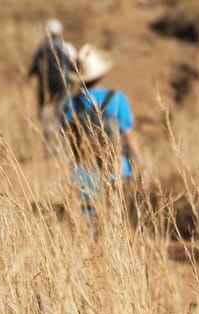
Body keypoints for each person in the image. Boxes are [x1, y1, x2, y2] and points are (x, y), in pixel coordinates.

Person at [60, 43, 149, 222]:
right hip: (116, 166)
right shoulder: (117, 99)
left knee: (90, 218)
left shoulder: (70, 103)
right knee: (115, 215)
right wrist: (142, 166)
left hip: (84, 168)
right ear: (101, 74)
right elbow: (129, 135)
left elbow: (67, 137)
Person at [27, 19, 77, 146]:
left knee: (46, 115)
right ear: (60, 32)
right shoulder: (66, 47)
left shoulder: (41, 48)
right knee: (63, 112)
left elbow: (32, 68)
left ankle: (50, 144)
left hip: (45, 88)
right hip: (64, 86)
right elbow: (74, 67)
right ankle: (65, 141)